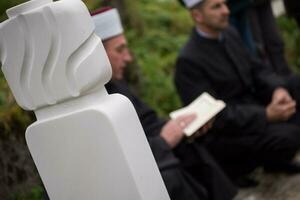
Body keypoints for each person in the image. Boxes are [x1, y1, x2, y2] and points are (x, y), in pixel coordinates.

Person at [92, 7, 237, 200]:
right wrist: (163, 142)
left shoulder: (117, 85)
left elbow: (148, 121)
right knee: (171, 176)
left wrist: (181, 125)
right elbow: (115, 162)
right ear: (98, 55)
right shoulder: (93, 105)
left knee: (190, 147)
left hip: (152, 153)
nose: (128, 57)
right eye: (120, 50)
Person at [175, 0, 300, 184]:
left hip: (253, 108)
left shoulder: (229, 33)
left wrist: (278, 89)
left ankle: (275, 159)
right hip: (230, 133)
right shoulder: (188, 61)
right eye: (216, 7)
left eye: (225, 4)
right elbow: (215, 116)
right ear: (197, 16)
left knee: (296, 85)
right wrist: (265, 115)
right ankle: (241, 169)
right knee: (290, 134)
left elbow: (258, 70)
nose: (226, 11)